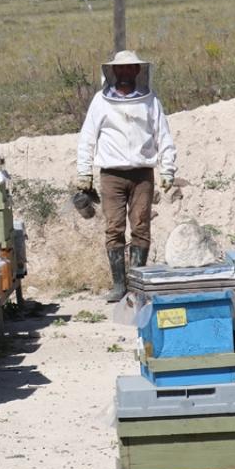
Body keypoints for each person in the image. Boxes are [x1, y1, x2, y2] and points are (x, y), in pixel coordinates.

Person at [75, 50, 177, 302]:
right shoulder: (101, 101)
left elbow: (162, 135)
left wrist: (168, 169)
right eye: (120, 68)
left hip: (143, 173)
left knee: (141, 227)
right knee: (114, 228)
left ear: (137, 71)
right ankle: (119, 285)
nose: (124, 72)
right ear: (112, 71)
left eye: (130, 68)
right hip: (111, 175)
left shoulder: (150, 100)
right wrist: (84, 172)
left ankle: (137, 284)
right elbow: (88, 137)